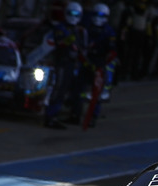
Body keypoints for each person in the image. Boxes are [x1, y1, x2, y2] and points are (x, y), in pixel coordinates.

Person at [29, 1, 88, 129]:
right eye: (71, 13)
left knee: (68, 90)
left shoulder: (78, 30)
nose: (73, 16)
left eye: (76, 14)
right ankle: (50, 116)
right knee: (58, 90)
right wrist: (66, 41)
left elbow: (80, 48)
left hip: (72, 64)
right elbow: (57, 43)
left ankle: (59, 114)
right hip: (61, 63)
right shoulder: (60, 28)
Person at [82, 2, 117, 127]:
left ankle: (93, 115)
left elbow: (112, 51)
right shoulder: (86, 27)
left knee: (97, 91)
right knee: (79, 87)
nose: (98, 18)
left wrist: (101, 64)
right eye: (97, 14)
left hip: (99, 63)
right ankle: (75, 112)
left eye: (102, 15)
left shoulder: (109, 32)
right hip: (85, 60)